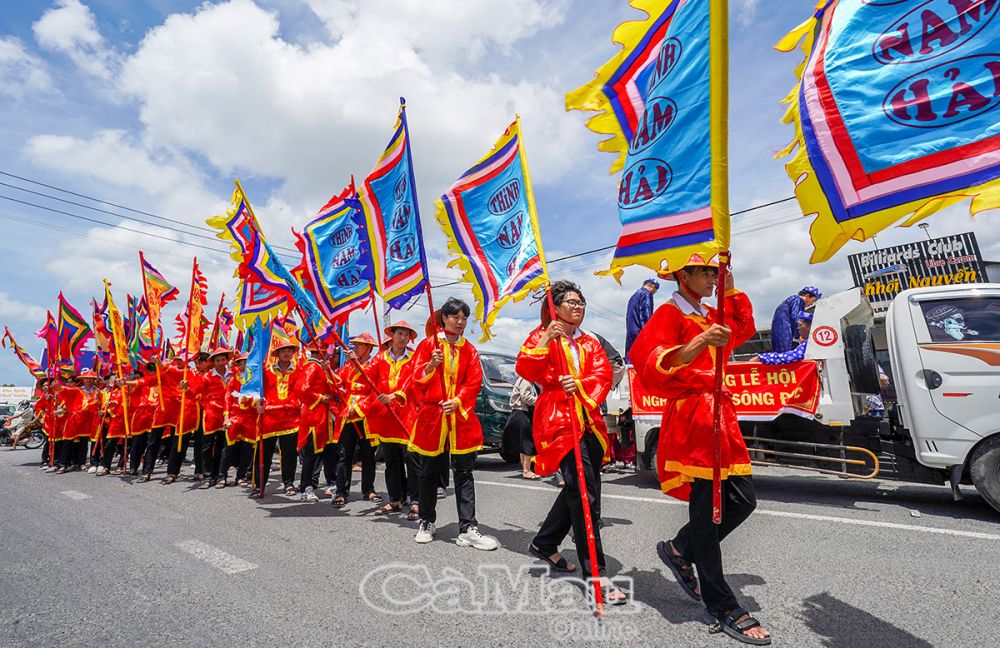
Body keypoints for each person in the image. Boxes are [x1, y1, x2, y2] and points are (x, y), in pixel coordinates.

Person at [629, 254, 770, 645]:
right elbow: (649, 363)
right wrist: (697, 344)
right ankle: (722, 603)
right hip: (693, 415)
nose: (712, 277)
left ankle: (679, 548)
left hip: (721, 415)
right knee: (709, 512)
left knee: (742, 501)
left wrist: (729, 288)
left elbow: (743, 328)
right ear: (683, 274)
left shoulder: (709, 313)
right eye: (707, 271)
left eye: (715, 271)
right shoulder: (669, 314)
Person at [516, 280, 625, 604]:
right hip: (558, 421)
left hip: (588, 418)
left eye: (581, 302)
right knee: (586, 495)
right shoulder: (541, 335)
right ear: (555, 307)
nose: (578, 307)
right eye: (571, 302)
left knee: (581, 489)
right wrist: (547, 340)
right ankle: (596, 575)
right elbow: (525, 367)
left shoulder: (590, 341)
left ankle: (545, 543)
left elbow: (603, 374)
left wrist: (578, 384)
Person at [408, 297, 497, 550]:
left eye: (464, 318)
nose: (460, 322)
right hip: (433, 417)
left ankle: (468, 527)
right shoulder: (428, 345)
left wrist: (458, 401)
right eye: (455, 317)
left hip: (460, 418)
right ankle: (427, 520)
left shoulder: (469, 350)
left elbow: (474, 381)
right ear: (444, 319)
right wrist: (430, 366)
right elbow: (415, 378)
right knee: (428, 472)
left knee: (464, 473)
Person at [366, 321, 420, 517]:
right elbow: (367, 377)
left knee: (412, 459)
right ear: (392, 335)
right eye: (399, 333)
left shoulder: (414, 358)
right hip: (386, 417)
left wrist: (394, 395)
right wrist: (356, 361)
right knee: (391, 461)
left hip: (407, 416)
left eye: (406, 334)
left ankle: (416, 500)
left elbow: (414, 382)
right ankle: (395, 499)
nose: (403, 337)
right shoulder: (379, 358)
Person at [252, 336, 303, 498]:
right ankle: (259, 484)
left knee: (289, 453)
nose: (287, 353)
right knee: (263, 452)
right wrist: (256, 404)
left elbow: (303, 390)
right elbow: (253, 390)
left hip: (291, 418)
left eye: (289, 350)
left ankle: (289, 483)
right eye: (283, 350)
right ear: (277, 353)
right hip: (269, 418)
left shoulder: (299, 371)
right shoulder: (265, 372)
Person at [332, 332, 379, 507]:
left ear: (369, 348)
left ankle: (368, 489)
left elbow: (373, 388)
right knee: (345, 453)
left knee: (368, 454)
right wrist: (328, 368)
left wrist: (358, 408)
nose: (355, 347)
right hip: (347, 414)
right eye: (355, 344)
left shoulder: (374, 365)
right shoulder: (348, 366)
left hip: (366, 414)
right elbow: (338, 383)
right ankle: (341, 492)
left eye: (359, 345)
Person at [297, 342, 342, 503]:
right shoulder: (312, 367)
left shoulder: (323, 367)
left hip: (327, 416)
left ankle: (331, 482)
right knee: (312, 453)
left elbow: (338, 386)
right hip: (315, 417)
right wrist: (319, 398)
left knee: (330, 451)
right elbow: (302, 389)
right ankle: (306, 487)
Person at [194, 348, 232, 489]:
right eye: (217, 360)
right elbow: (196, 392)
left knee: (224, 447)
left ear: (226, 360)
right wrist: (185, 387)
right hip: (211, 415)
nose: (220, 363)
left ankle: (222, 475)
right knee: (207, 446)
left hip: (227, 415)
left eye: (223, 359)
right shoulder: (207, 377)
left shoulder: (233, 375)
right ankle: (209, 476)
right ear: (213, 362)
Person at [506, 376, 539, 480]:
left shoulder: (528, 379)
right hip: (522, 412)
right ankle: (526, 470)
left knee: (524, 442)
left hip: (520, 412)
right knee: (528, 442)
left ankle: (526, 469)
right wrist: (540, 401)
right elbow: (525, 397)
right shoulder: (526, 379)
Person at [770, 286, 820, 353]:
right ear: (807, 296)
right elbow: (796, 318)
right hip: (785, 333)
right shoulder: (798, 300)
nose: (811, 304)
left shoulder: (792, 301)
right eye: (813, 301)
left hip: (781, 333)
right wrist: (800, 336)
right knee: (786, 354)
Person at [625, 277, 659, 362]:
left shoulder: (634, 296)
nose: (654, 292)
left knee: (631, 357)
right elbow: (645, 314)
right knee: (643, 359)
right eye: (655, 290)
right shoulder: (646, 294)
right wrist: (649, 333)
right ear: (653, 286)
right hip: (640, 333)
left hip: (631, 332)